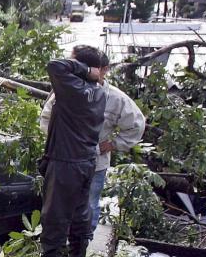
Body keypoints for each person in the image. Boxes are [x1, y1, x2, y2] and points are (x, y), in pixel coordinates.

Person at [38, 72, 146, 241]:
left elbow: (136, 125)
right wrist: (60, 142)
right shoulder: (67, 93)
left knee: (88, 204)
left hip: (96, 161)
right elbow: (46, 119)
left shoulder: (116, 99)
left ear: (104, 70)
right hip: (64, 159)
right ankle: (58, 245)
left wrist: (112, 144)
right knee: (59, 204)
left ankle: (81, 246)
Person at [31, 45, 108, 257]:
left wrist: (85, 69)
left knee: (55, 213)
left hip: (66, 161)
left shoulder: (74, 89)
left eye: (73, 60)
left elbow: (54, 65)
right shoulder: (100, 92)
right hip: (86, 161)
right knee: (80, 212)